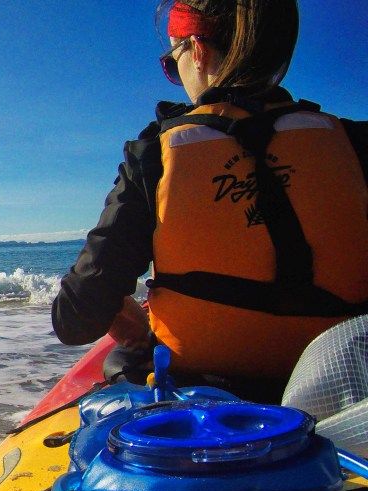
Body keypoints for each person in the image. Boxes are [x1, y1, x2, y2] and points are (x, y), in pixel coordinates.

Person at [52, 0, 368, 400]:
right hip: (347, 386)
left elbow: (74, 320)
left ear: (197, 51)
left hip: (206, 396)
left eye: (171, 61)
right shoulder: (355, 145)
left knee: (122, 361)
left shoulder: (156, 154)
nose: (175, 74)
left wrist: (121, 313)